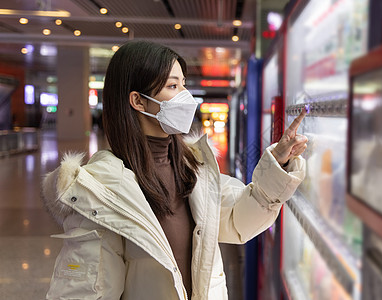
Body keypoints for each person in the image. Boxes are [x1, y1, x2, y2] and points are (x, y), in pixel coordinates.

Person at [41, 40, 308, 300]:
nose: (186, 96)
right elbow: (89, 291)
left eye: (183, 85)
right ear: (138, 101)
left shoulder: (195, 167)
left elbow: (238, 220)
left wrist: (278, 166)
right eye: (172, 86)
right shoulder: (102, 190)